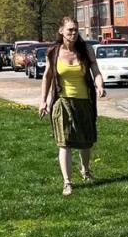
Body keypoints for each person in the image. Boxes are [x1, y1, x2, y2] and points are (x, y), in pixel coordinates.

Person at [38, 16, 106, 196]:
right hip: (62, 101)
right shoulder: (53, 51)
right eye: (70, 30)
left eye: (76, 30)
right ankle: (67, 182)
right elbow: (47, 77)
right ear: (61, 31)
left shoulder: (86, 50)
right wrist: (43, 100)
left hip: (84, 102)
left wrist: (100, 85)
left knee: (86, 142)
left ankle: (85, 170)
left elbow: (96, 71)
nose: (74, 33)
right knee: (64, 142)